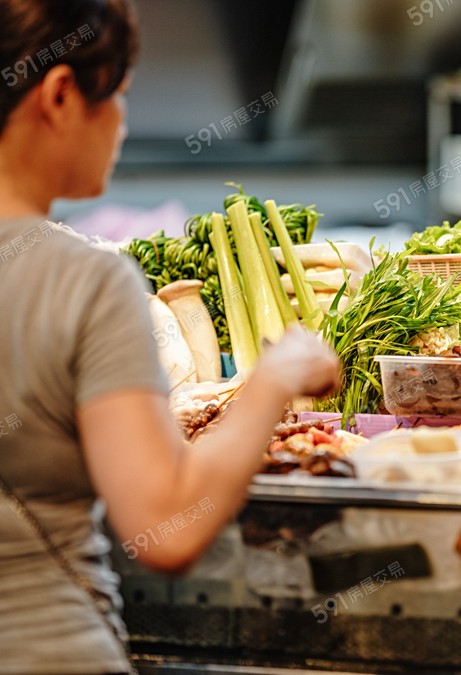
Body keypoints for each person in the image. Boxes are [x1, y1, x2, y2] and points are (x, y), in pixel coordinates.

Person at [0, 1, 340, 673]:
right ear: (61, 94)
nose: (123, 125)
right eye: (119, 97)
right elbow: (168, 525)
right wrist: (273, 378)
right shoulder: (86, 279)